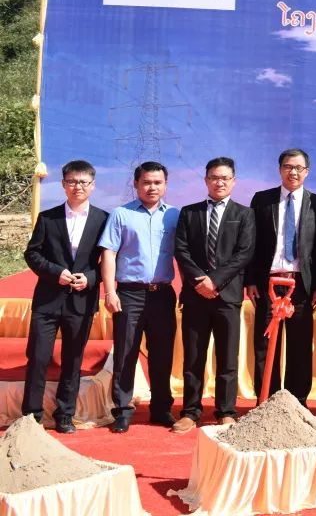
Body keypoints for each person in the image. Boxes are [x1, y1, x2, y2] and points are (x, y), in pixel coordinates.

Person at [22, 160, 109, 433]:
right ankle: (31, 416)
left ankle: (64, 415)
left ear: (92, 185)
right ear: (63, 184)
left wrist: (91, 278)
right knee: (38, 358)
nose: (77, 187)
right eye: (72, 181)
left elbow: (109, 260)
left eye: (83, 182)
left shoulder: (103, 219)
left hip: (82, 301)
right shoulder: (48, 218)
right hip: (48, 300)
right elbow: (32, 253)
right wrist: (55, 272)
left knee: (73, 360)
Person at [172, 157, 256, 433]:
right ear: (206, 180)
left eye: (225, 178)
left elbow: (244, 253)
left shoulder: (244, 214)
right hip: (195, 295)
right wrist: (201, 281)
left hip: (227, 297)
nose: (219, 182)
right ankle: (190, 411)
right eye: (214, 177)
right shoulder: (189, 213)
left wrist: (215, 281)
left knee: (228, 357)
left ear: (233, 181)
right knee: (193, 357)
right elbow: (181, 250)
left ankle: (226, 411)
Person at [99, 161, 180, 433]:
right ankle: (122, 410)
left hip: (162, 294)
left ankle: (161, 408)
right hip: (129, 294)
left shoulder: (175, 215)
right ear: (136, 184)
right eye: (146, 182)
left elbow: (185, 254)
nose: (152, 187)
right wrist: (110, 291)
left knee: (162, 353)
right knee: (126, 353)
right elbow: (109, 253)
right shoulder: (121, 215)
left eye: (158, 182)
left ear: (165, 185)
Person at [245, 149, 316, 406]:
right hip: (268, 284)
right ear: (280, 169)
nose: (293, 172)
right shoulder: (262, 200)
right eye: (287, 167)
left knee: (300, 346)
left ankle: (297, 403)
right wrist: (250, 280)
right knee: (265, 344)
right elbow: (251, 243)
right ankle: (266, 402)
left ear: (307, 172)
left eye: (298, 168)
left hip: (301, 285)